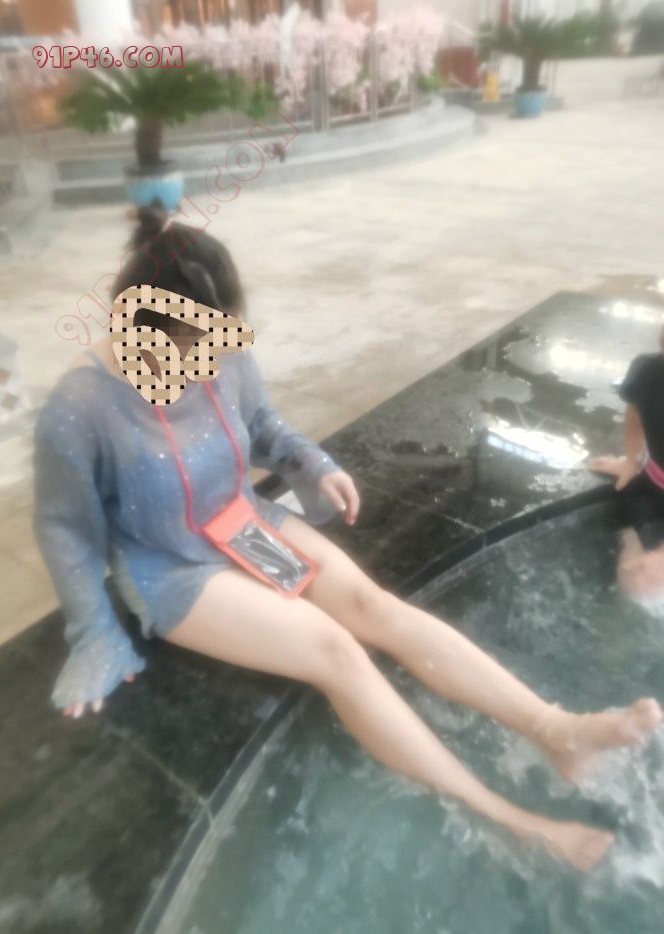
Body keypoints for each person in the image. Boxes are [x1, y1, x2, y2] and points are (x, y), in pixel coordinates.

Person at [34, 208, 662, 873]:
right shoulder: (82, 407)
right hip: (172, 569)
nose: (205, 366)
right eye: (187, 352)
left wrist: (315, 466)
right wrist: (93, 631)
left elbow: (263, 425)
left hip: (243, 524)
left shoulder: (222, 350)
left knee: (372, 607)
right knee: (337, 651)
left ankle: (558, 731)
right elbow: (63, 526)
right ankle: (508, 821)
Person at [589, 324, 664, 601]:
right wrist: (631, 461)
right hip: (652, 486)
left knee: (645, 584)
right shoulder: (648, 370)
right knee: (632, 579)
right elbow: (636, 411)